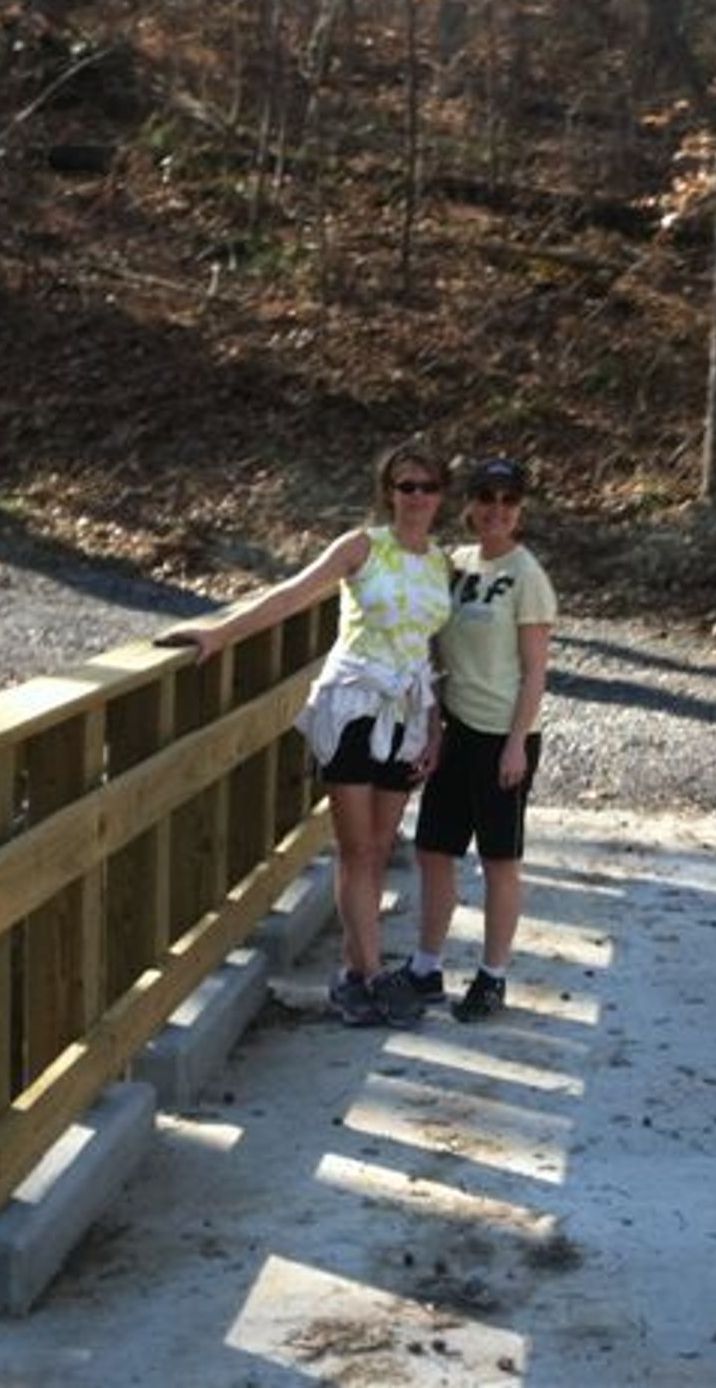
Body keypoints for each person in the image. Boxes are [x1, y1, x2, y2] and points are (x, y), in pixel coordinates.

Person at [156, 441, 452, 1029]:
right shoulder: (363, 547)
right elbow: (292, 594)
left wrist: (436, 722)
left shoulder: (441, 563)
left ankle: (353, 974)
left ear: (441, 495)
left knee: (379, 845)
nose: (415, 497)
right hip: (352, 708)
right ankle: (370, 977)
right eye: (404, 485)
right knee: (357, 848)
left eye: (426, 486)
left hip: (408, 714)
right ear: (388, 493)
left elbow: (431, 643)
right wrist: (221, 634)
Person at [400, 455, 556, 1022]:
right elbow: (435, 649)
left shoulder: (528, 576)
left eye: (508, 501)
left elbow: (536, 670)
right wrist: (433, 726)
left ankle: (492, 977)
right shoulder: (456, 565)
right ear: (468, 505)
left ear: (520, 510)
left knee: (498, 860)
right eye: (485, 498)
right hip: (457, 731)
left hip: (502, 738)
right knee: (433, 850)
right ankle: (425, 967)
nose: (496, 510)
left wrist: (517, 743)